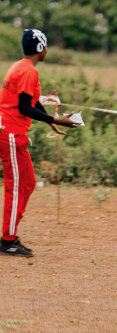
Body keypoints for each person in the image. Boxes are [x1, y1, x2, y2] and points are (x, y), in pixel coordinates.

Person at [0, 29, 79, 257]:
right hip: (11, 134)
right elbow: (24, 108)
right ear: (41, 48)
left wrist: (49, 123)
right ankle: (8, 241)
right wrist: (56, 119)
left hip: (14, 134)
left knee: (28, 183)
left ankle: (9, 235)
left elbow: (31, 101)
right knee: (16, 187)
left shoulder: (20, 66)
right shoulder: (28, 72)